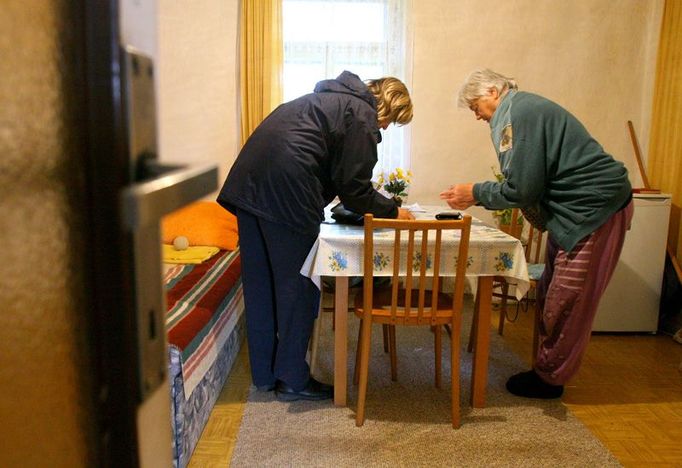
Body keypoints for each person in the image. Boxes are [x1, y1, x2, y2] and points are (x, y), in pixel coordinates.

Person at [217, 70, 414, 402]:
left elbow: (337, 174)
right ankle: (293, 379)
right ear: (388, 107)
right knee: (300, 289)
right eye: (391, 121)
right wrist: (394, 211)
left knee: (261, 286)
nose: (385, 128)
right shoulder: (361, 115)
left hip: (248, 188)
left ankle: (265, 376)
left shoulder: (324, 101)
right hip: (287, 192)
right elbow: (354, 187)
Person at [440, 69, 633, 399]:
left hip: (593, 211)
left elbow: (524, 188)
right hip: (576, 212)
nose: (476, 116)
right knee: (551, 295)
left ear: (492, 91)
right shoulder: (517, 111)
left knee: (567, 301)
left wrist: (476, 192)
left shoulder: (518, 113)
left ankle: (549, 381)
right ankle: (546, 370)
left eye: (475, 106)